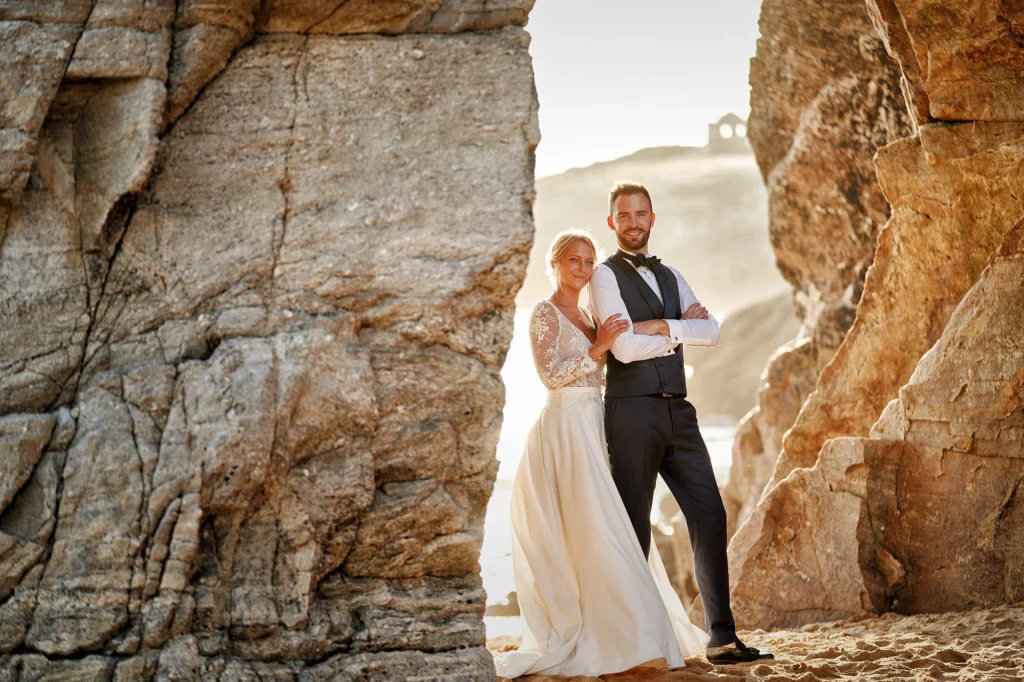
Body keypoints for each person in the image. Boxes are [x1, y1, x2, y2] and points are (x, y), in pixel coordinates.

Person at [493, 230, 708, 678]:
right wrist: (599, 347)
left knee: (614, 529)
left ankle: (633, 634)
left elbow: (615, 360)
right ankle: (607, 638)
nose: (583, 268)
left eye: (590, 261)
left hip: (599, 424)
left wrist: (678, 324)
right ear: (555, 263)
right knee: (594, 529)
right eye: (574, 260)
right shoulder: (544, 312)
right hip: (566, 430)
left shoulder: (593, 314)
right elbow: (551, 376)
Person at [588, 181, 774, 664]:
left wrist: (660, 326)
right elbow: (623, 348)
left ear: (652, 219)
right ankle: (631, 643)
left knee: (710, 514)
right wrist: (678, 332)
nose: (633, 223)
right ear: (612, 222)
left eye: (640, 214)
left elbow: (711, 331)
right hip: (631, 412)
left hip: (680, 411)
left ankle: (722, 639)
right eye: (624, 215)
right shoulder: (604, 277)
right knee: (634, 526)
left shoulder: (671, 274)